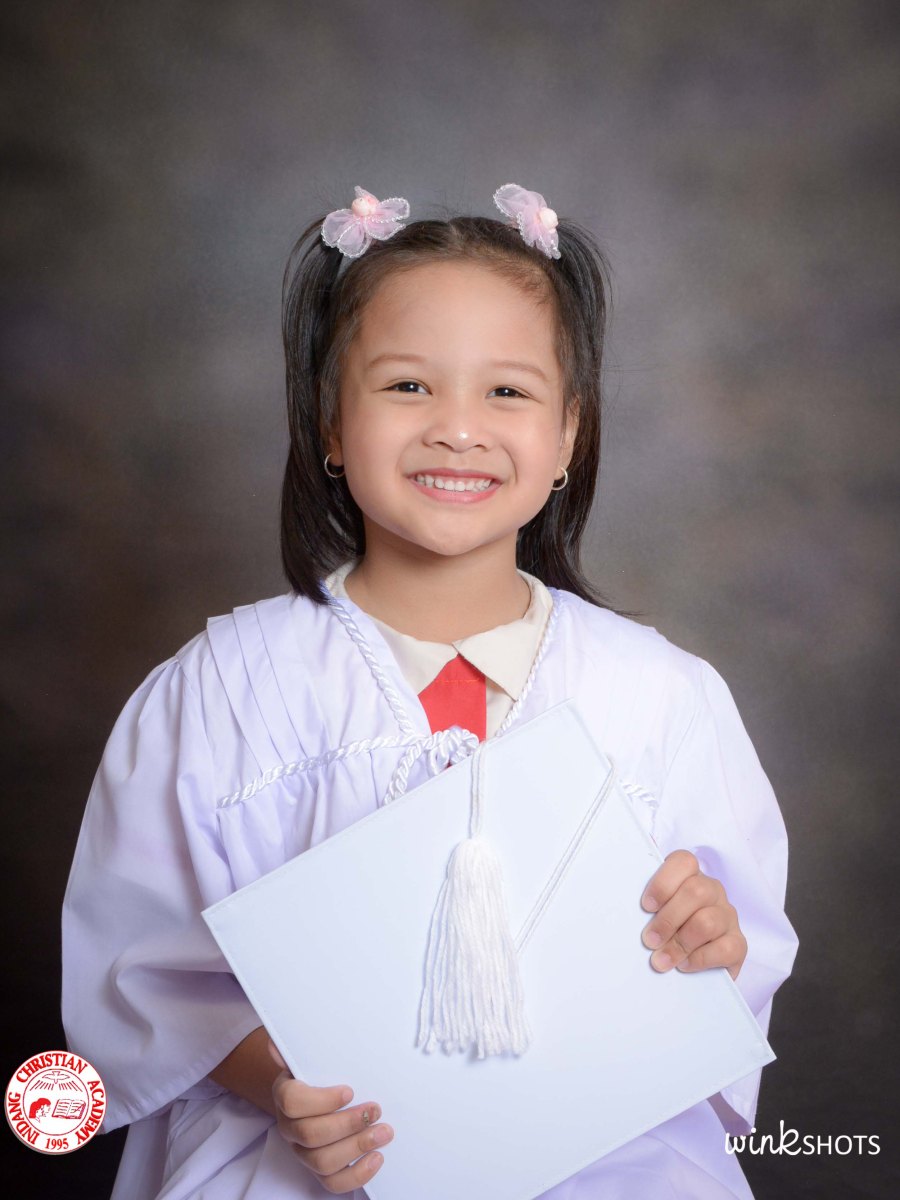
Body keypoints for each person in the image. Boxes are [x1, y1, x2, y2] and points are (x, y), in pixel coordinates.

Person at [62, 183, 799, 1199]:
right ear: (330, 420)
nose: (458, 429)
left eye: (507, 392)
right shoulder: (220, 695)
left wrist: (711, 939)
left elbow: (738, 947)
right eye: (408, 386)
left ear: (569, 435)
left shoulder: (659, 697)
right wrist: (278, 1082)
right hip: (315, 1156)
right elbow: (139, 970)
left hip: (605, 1159)